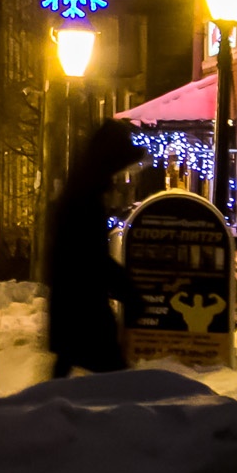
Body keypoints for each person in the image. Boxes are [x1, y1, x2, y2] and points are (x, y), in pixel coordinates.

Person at [45, 118, 147, 378]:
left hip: (74, 310)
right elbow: (91, 258)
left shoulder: (81, 191)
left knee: (68, 376)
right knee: (112, 380)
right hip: (84, 314)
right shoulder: (86, 199)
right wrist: (129, 292)